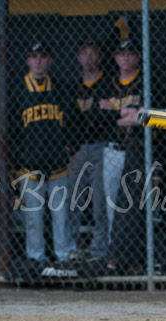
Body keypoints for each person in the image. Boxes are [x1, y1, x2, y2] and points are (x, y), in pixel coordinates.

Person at [11, 41, 76, 267]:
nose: (38, 61)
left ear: (50, 61)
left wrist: (67, 150)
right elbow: (10, 131)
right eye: (33, 56)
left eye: (42, 57)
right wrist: (18, 161)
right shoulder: (17, 91)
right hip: (30, 169)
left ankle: (64, 258)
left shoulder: (61, 88)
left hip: (58, 167)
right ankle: (36, 259)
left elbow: (73, 124)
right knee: (34, 220)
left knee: (62, 217)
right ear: (27, 60)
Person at [99, 38, 145, 273]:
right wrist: (130, 114)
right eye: (121, 53)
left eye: (130, 53)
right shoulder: (108, 84)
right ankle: (113, 255)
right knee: (111, 206)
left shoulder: (144, 82)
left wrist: (118, 113)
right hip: (114, 150)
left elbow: (144, 117)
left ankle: (132, 256)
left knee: (134, 206)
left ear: (137, 57)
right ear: (115, 58)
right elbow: (102, 119)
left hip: (137, 153)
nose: (125, 58)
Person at [68, 40, 110, 263]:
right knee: (73, 199)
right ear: (78, 58)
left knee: (99, 202)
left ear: (100, 58)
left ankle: (98, 251)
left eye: (93, 54)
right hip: (79, 148)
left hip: (101, 146)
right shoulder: (74, 87)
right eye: (85, 54)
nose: (89, 59)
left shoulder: (107, 84)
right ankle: (71, 248)